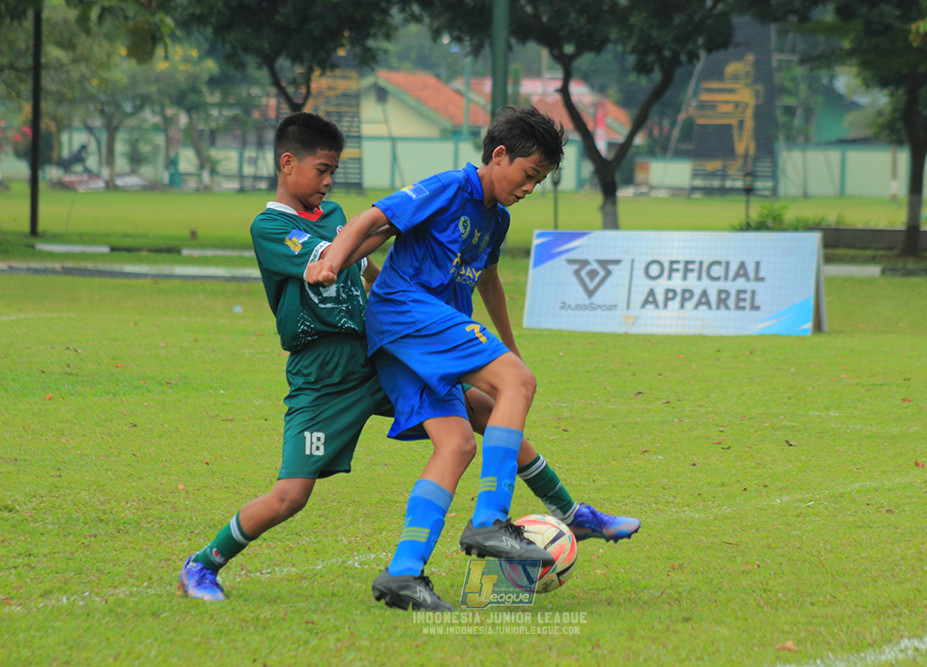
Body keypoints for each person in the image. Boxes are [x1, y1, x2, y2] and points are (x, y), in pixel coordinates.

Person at [178, 111, 638, 606]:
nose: (329, 181)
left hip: (377, 353)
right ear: (288, 164)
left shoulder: (355, 217)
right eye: (322, 170)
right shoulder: (271, 226)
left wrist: (370, 272)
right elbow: (358, 234)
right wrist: (336, 262)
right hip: (328, 373)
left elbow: (377, 252)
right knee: (290, 496)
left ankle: (408, 572)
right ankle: (203, 563)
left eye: (333, 170)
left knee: (468, 431)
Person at [309, 106, 637, 614]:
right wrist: (331, 261)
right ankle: (492, 519)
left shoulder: (497, 219)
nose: (529, 188)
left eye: (540, 182)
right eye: (528, 175)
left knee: (459, 443)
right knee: (516, 386)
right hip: (406, 315)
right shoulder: (450, 186)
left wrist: (511, 347)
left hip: (413, 341)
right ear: (499, 155)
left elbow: (487, 280)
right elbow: (373, 220)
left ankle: (403, 574)